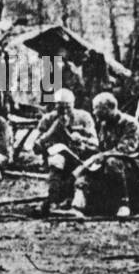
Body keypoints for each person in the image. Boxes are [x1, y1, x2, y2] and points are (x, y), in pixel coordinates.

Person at [74, 92, 139, 218]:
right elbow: (101, 148)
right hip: (111, 167)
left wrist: (100, 156)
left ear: (108, 108)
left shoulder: (130, 124)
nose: (94, 112)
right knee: (85, 168)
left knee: (112, 162)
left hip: (134, 167)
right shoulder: (104, 125)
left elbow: (125, 150)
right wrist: (84, 146)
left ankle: (124, 204)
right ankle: (78, 204)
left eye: (96, 108)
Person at [32, 88, 98, 216]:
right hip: (56, 161)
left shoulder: (84, 117)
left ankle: (69, 201)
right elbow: (36, 148)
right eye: (60, 108)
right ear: (55, 106)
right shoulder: (48, 120)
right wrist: (52, 130)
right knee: (57, 159)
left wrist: (82, 139)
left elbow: (95, 143)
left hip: (80, 159)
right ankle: (53, 201)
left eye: (68, 107)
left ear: (74, 104)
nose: (65, 112)